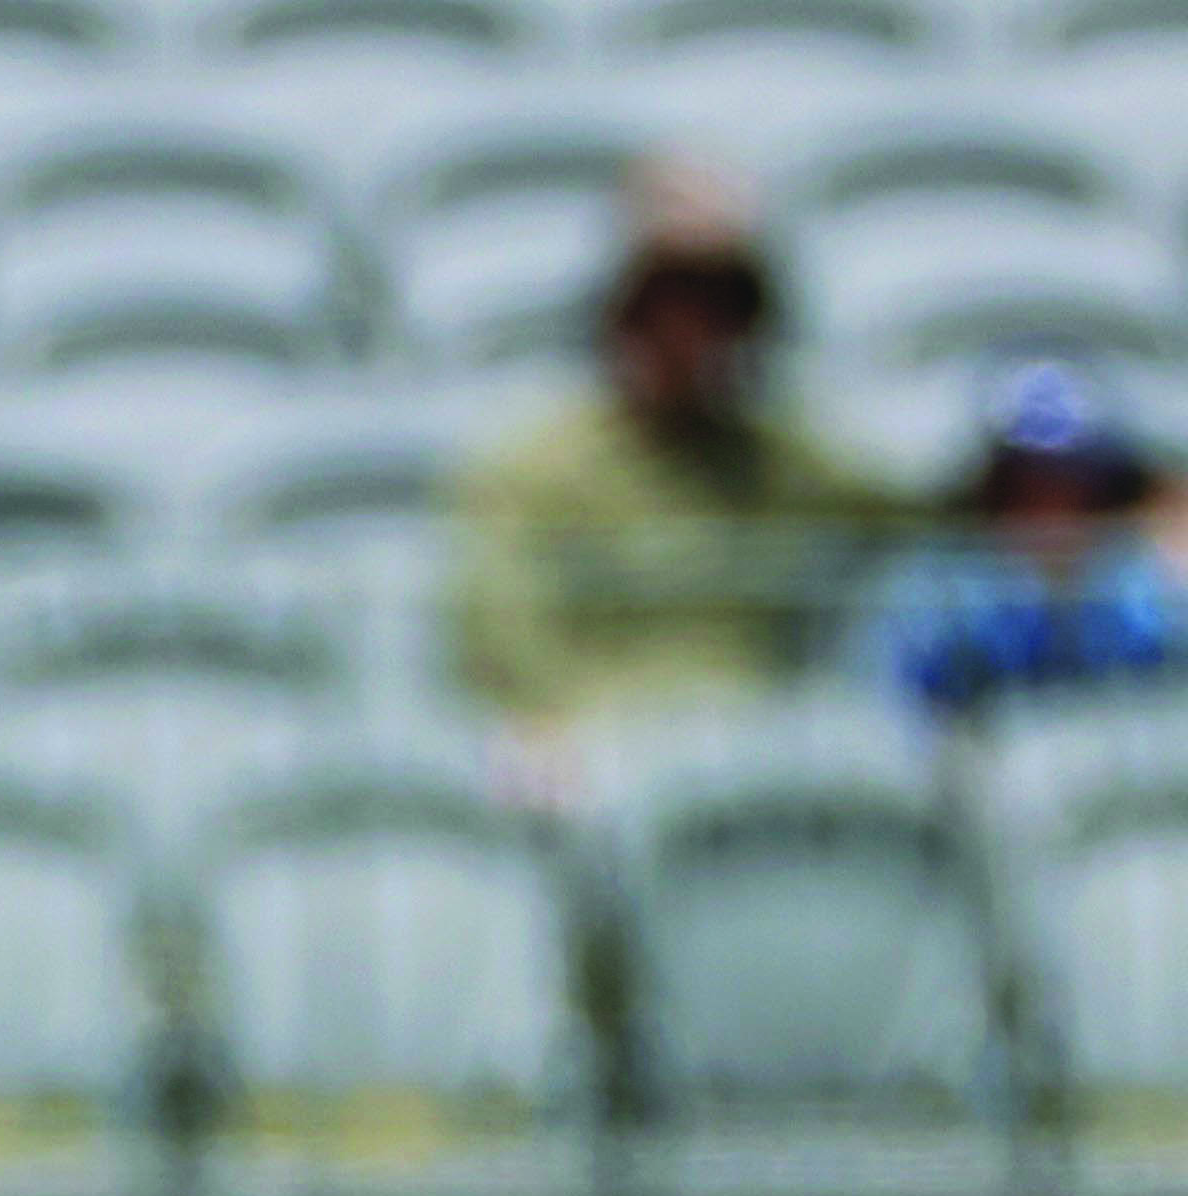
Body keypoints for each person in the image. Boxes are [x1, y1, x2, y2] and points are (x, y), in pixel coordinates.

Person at [449, 158, 904, 764]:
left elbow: (916, 513)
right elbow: (506, 631)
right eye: (673, 302)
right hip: (602, 744)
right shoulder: (536, 466)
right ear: (628, 311)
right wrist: (552, 725)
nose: (695, 332)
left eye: (718, 306)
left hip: (762, 745)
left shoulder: (776, 455)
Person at [876, 362, 1184, 719]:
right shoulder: (936, 598)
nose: (1051, 513)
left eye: (1074, 490)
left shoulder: (1143, 593)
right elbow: (883, 713)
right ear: (992, 497)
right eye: (1026, 490)